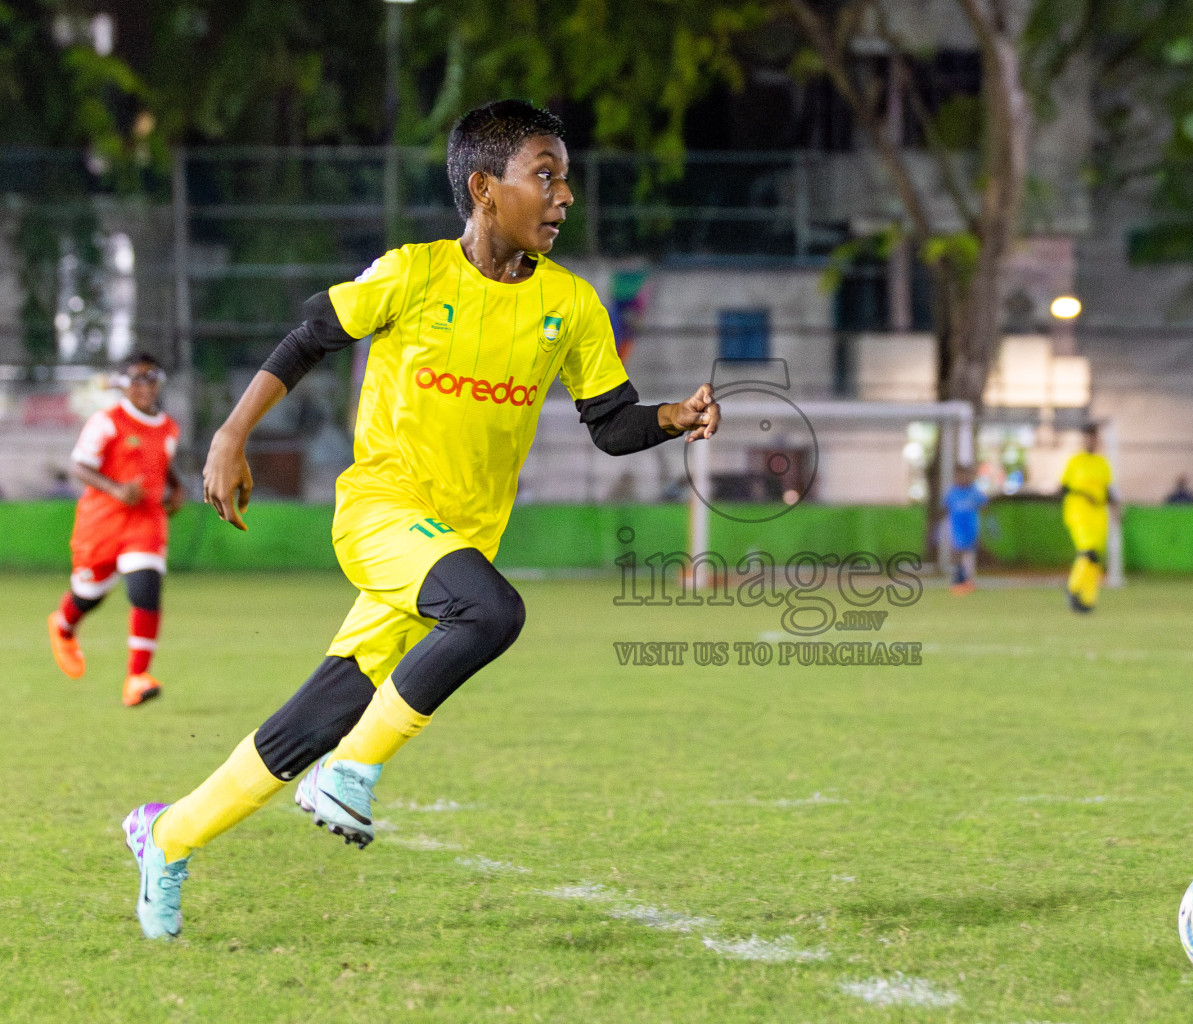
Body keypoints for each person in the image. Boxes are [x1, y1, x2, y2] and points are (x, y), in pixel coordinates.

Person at [121, 100, 720, 940]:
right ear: (484, 188)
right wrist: (230, 433)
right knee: (494, 612)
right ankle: (353, 771)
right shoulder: (414, 273)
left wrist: (672, 417)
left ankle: (167, 833)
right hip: (381, 514)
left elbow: (610, 423)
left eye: (566, 179)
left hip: (452, 552)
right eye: (543, 176)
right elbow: (309, 337)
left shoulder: (574, 307)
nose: (563, 197)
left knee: (315, 717)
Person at [47, 352, 183, 706]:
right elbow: (80, 466)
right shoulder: (106, 422)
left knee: (145, 591)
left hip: (146, 520)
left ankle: (137, 678)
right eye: (137, 377)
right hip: (103, 522)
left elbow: (162, 464)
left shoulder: (169, 427)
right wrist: (117, 490)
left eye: (151, 377)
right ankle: (63, 626)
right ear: (122, 384)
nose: (145, 385)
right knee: (88, 596)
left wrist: (176, 486)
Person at [1061, 423, 1119, 613]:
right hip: (1078, 513)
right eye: (1088, 437)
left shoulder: (1103, 463)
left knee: (1095, 559)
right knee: (1088, 551)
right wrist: (1084, 494)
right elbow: (1063, 488)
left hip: (1098, 514)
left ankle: (1087, 600)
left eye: (1094, 437)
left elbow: (1108, 489)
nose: (1091, 440)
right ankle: (1072, 587)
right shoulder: (1075, 461)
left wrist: (1115, 507)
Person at [944, 465, 986, 595]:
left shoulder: (974, 492)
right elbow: (945, 508)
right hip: (957, 528)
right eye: (959, 476)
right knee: (957, 553)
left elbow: (984, 505)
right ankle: (960, 580)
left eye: (965, 476)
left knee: (967, 554)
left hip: (971, 527)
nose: (962, 479)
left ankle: (964, 580)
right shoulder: (953, 493)